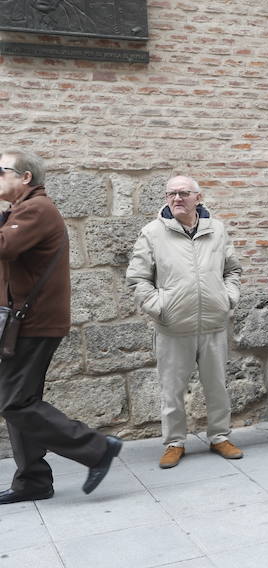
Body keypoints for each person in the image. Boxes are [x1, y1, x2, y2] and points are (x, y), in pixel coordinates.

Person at [0, 150, 121, 504]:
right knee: (21, 400)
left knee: (14, 402)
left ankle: (97, 449)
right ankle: (33, 481)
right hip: (23, 320)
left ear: (25, 177)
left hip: (33, 322)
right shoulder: (22, 210)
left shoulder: (36, 209)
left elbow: (4, 247)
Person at [126, 175, 244, 468]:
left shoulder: (216, 230)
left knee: (217, 386)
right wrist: (159, 307)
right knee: (172, 390)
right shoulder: (152, 233)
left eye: (183, 193)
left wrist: (227, 298)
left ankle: (219, 436)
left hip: (213, 323)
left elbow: (233, 270)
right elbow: (137, 278)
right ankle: (174, 442)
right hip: (173, 326)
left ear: (198, 198)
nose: (177, 198)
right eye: (171, 194)